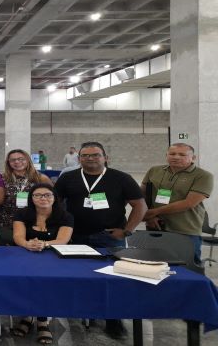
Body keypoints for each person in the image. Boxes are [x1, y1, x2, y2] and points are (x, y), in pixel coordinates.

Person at [53, 141, 146, 340]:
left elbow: (140, 206)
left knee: (113, 279)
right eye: (85, 155)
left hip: (109, 237)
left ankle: (113, 320)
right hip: (76, 236)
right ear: (79, 159)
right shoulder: (68, 178)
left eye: (95, 155)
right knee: (80, 276)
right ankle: (87, 313)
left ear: (105, 157)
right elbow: (55, 204)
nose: (90, 158)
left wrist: (126, 231)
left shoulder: (121, 178)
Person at [10, 183, 73, 344]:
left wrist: (44, 244)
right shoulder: (22, 213)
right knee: (25, 283)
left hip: (53, 256)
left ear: (54, 198)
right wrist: (27, 244)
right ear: (31, 198)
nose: (43, 198)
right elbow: (18, 236)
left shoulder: (65, 216)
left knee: (45, 284)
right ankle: (27, 316)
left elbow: (63, 240)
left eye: (47, 195)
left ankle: (42, 321)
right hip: (26, 254)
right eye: (37, 195)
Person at [141, 143, 214, 264]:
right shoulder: (154, 170)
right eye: (172, 154)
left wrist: (153, 212)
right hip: (156, 227)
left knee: (188, 266)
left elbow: (189, 203)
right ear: (166, 155)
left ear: (193, 158)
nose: (176, 157)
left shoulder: (203, 176)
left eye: (182, 154)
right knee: (155, 265)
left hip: (185, 230)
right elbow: (142, 195)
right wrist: (150, 217)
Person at [0, 149, 52, 245]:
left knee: (32, 248)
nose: (17, 162)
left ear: (28, 160)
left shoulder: (41, 178)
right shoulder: (2, 178)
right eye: (13, 160)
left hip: (33, 222)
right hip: (7, 221)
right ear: (8, 162)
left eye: (21, 159)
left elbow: (52, 198)